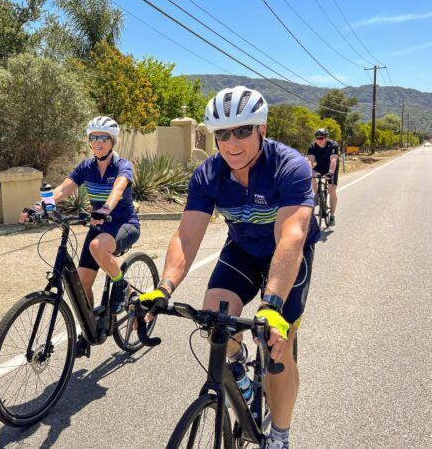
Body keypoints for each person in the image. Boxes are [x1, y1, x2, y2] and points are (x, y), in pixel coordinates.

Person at [139, 86, 319, 449]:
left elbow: (291, 236)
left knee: (276, 352)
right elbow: (187, 237)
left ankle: (280, 438)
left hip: (285, 257)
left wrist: (272, 308)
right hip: (242, 250)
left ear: (261, 130)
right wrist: (165, 287)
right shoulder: (208, 174)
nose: (231, 142)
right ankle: (237, 367)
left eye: (242, 131)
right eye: (222, 133)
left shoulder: (289, 166)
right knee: (212, 316)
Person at [19, 116, 140, 318]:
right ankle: (90, 328)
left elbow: (118, 189)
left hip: (124, 223)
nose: (98, 143)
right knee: (82, 281)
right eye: (94, 138)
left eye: (103, 138)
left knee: (96, 246)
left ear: (112, 142)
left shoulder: (122, 166)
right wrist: (39, 207)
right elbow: (63, 190)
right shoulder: (86, 167)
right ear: (89, 141)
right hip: (98, 225)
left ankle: (121, 286)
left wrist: (105, 208)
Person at [307, 128, 339, 226]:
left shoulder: (333, 145)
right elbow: (310, 161)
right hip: (320, 166)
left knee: (331, 189)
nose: (319, 140)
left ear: (326, 138)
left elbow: (333, 160)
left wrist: (330, 173)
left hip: (331, 167)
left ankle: (332, 216)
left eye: (322, 138)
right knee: (310, 175)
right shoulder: (312, 146)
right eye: (317, 138)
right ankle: (317, 195)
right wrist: (309, 171)